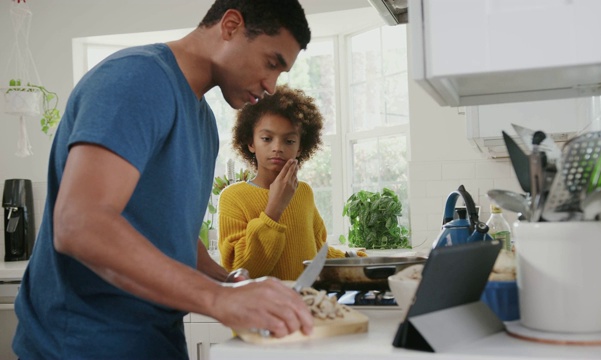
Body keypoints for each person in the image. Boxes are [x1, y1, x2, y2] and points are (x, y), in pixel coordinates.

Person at [12, 1, 315, 359]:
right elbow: (80, 223)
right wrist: (218, 299)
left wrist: (227, 281)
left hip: (154, 343)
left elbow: (173, 235)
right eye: (271, 63)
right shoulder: (138, 78)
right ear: (231, 26)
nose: (270, 85)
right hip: (82, 345)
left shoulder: (204, 123)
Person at [218, 84, 366, 282]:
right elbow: (242, 269)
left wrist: (354, 259)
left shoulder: (303, 192)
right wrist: (274, 209)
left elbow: (316, 250)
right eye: (266, 138)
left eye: (289, 141)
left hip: (307, 303)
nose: (277, 148)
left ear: (300, 147)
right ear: (251, 143)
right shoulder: (233, 197)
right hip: (263, 308)